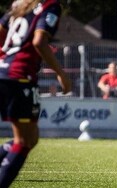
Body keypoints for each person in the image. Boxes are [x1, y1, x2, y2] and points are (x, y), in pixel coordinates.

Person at [0, 0, 71, 187]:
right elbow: (39, 41)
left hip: (6, 74)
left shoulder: (22, 5)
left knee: (31, 138)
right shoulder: (50, 5)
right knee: (23, 141)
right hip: (19, 78)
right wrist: (61, 74)